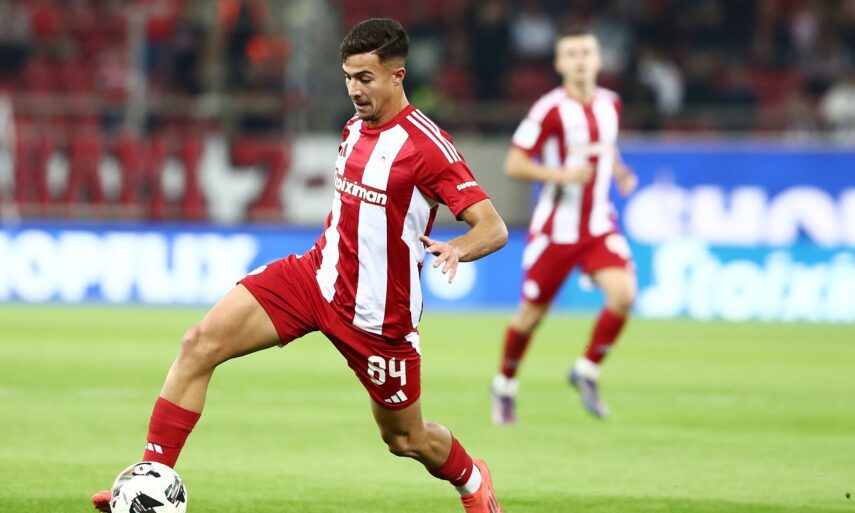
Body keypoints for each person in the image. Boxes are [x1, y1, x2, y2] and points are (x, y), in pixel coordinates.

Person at [92, 18, 507, 513]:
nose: (354, 90)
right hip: (314, 277)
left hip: (377, 316)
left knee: (405, 439)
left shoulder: (427, 147)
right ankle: (148, 485)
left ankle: (471, 478)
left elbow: (493, 226)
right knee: (199, 344)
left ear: (397, 75)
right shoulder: (354, 127)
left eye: (366, 78)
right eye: (348, 77)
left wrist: (459, 247)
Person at [490, 26, 637, 424]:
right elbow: (514, 164)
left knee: (623, 295)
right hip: (556, 230)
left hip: (598, 225)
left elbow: (606, 146)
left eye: (586, 52)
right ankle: (505, 385)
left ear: (598, 59)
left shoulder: (611, 104)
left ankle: (586, 370)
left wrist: (619, 171)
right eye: (571, 54)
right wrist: (562, 175)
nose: (580, 60)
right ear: (559, 64)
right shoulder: (548, 110)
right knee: (531, 317)